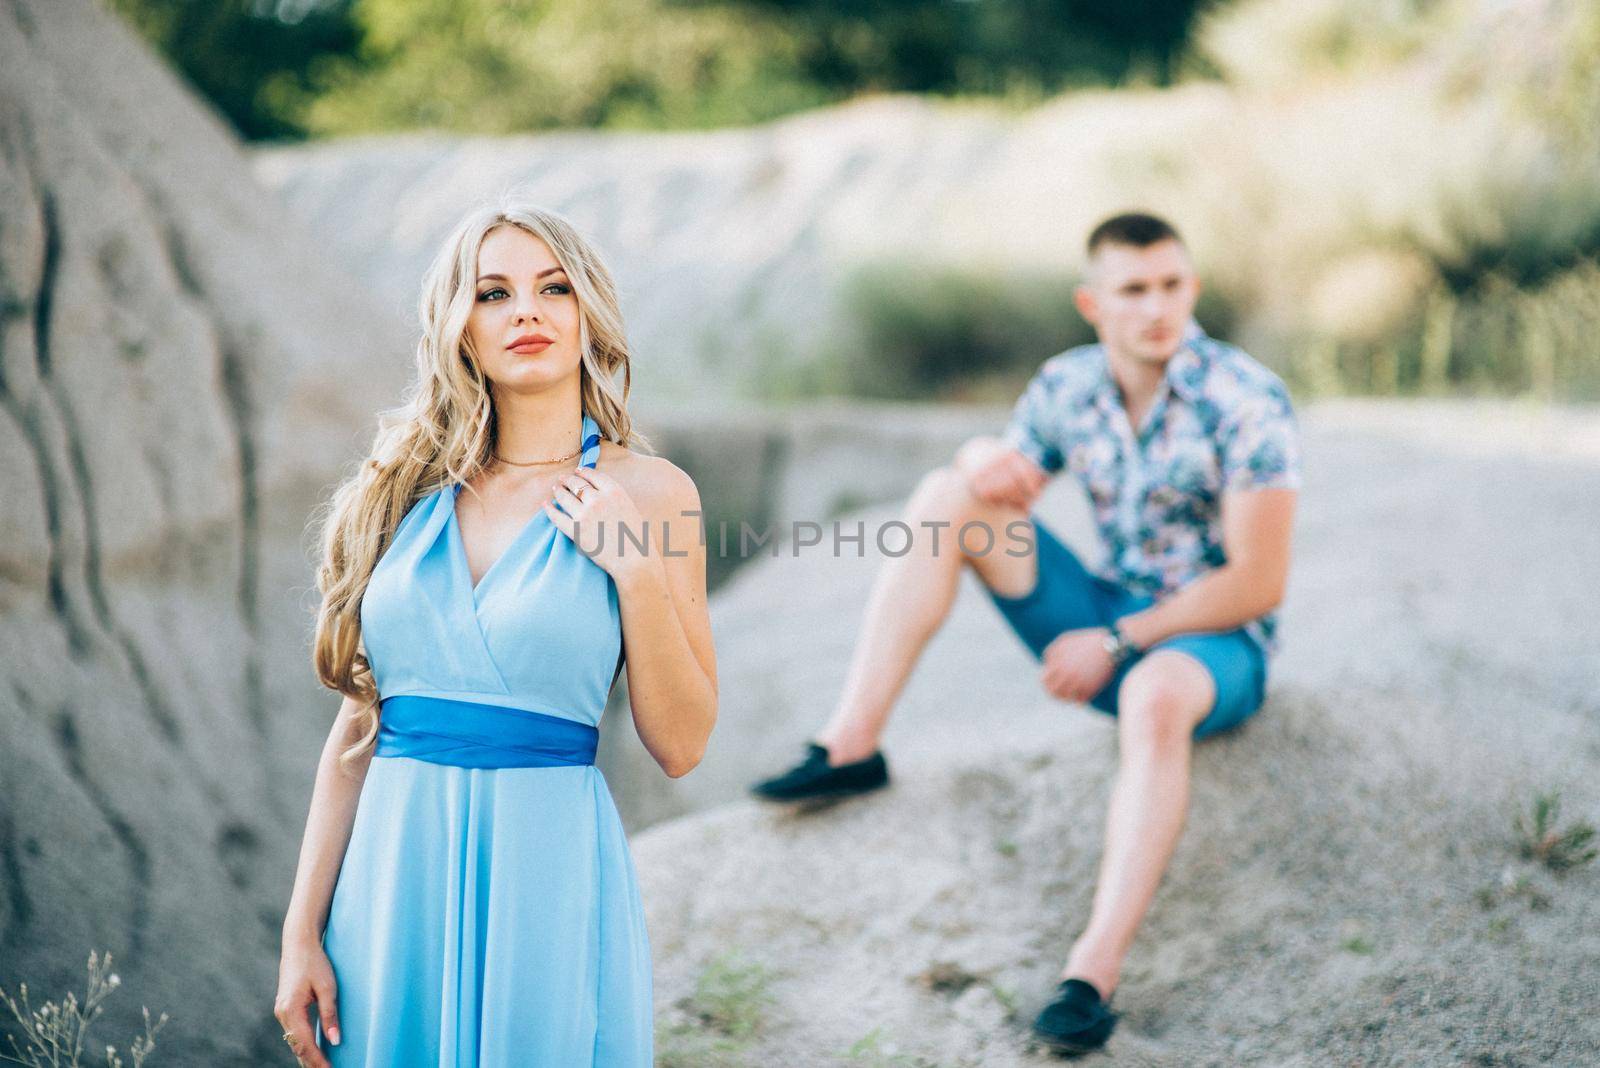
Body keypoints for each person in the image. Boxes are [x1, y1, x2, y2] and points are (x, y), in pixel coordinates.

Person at [751, 212, 1300, 1054]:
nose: (1158, 307)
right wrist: (978, 455)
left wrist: (1119, 642)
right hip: (1108, 608)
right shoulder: (1068, 386)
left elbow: (1258, 582)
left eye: (1173, 285)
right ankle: (852, 745)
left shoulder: (1246, 398)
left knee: (1154, 694)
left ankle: (1092, 975)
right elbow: (1006, 479)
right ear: (1093, 303)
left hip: (1212, 645)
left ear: (1191, 287)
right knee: (947, 493)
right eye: (1134, 290)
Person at [274, 203, 718, 1067]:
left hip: (544, 876)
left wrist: (633, 571)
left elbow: (684, 743)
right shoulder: (406, 490)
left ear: (588, 312)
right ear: (457, 328)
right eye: (493, 293)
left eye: (554, 287)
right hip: (393, 881)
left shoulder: (656, 494)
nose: (527, 311)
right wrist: (302, 933)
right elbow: (356, 734)